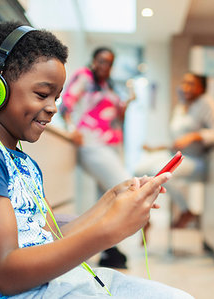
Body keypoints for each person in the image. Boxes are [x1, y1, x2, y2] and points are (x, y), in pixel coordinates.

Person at [0, 21, 193, 299]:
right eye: (42, 94)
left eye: (57, 96)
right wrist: (109, 230)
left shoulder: (23, 162)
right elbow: (5, 275)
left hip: (54, 284)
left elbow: (51, 240)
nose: (53, 107)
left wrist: (111, 199)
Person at [59, 47, 135, 269]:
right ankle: (102, 245)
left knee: (105, 196)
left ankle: (107, 250)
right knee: (123, 186)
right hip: (92, 144)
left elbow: (115, 116)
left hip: (112, 145)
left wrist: (127, 103)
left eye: (109, 63)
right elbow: (66, 104)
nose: (105, 66)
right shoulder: (84, 76)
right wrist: (71, 128)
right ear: (93, 60)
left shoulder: (107, 85)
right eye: (101, 61)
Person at [135, 72, 214, 229]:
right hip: (177, 155)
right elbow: (177, 140)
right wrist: (156, 148)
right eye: (184, 83)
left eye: (191, 84)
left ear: (202, 88)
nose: (185, 87)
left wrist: (194, 136)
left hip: (198, 160)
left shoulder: (207, 103)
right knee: (140, 168)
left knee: (162, 173)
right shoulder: (181, 106)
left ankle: (186, 211)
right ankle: (144, 217)